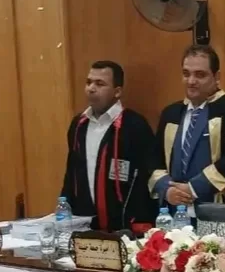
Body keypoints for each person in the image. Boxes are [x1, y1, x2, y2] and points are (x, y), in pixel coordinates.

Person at [149, 45, 225, 223]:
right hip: (177, 215)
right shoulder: (171, 114)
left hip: (221, 215)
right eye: (186, 74)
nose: (191, 81)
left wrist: (194, 188)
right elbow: (154, 159)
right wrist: (166, 189)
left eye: (200, 75)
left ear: (216, 77)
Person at [60, 61, 157, 232]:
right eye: (89, 82)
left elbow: (146, 176)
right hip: (85, 225)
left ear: (117, 91)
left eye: (100, 84)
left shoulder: (134, 125)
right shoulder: (79, 125)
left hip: (126, 227)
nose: (91, 88)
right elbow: (71, 173)